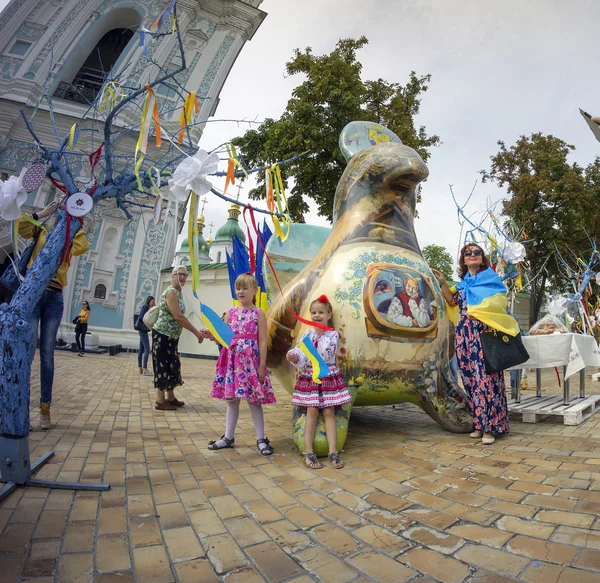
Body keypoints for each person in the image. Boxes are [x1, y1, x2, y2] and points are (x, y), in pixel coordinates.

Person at [434, 244, 517, 445]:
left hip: (483, 333)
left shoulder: (490, 279)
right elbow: (452, 302)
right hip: (464, 335)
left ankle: (491, 427)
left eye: (476, 252)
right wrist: (443, 282)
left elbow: (499, 303)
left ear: (482, 258)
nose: (472, 255)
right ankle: (479, 424)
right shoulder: (463, 283)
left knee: (485, 381)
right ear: (463, 259)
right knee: (470, 379)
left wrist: (481, 314)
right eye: (467, 253)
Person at [20, 200, 90, 430]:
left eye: (64, 209)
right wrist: (43, 213)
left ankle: (44, 408)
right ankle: (22, 410)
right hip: (33, 293)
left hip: (54, 297)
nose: (61, 211)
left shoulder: (68, 237)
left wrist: (72, 221)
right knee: (27, 352)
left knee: (47, 354)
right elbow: (19, 226)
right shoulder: (40, 229)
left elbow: (83, 247)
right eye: (60, 208)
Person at [207, 274, 276, 455]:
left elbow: (262, 341)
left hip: (251, 364)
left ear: (254, 291)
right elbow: (225, 337)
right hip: (233, 362)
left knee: (254, 401)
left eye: (245, 288)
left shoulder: (258, 313)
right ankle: (228, 437)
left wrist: (262, 366)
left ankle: (261, 438)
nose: (241, 291)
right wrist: (211, 335)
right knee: (231, 401)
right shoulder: (231, 312)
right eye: (238, 288)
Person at [286, 294, 352, 469]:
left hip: (327, 375)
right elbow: (301, 351)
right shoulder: (307, 333)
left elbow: (326, 354)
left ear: (328, 315)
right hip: (310, 377)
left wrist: (321, 335)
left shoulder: (332, 335)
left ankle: (333, 451)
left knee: (329, 412)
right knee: (312, 411)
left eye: (320, 312)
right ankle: (308, 452)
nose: (317, 315)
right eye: (314, 312)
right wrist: (294, 355)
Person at [152, 265, 204, 411]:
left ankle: (171, 397)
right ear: (172, 276)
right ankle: (160, 400)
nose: (182, 277)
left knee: (172, 365)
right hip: (162, 335)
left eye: (184, 275)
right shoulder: (171, 292)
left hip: (172, 337)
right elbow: (178, 316)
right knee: (162, 365)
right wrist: (196, 332)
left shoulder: (179, 293)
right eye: (179, 274)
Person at [137, 295, 155, 375]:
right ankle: (145, 368)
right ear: (149, 301)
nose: (154, 303)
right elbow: (142, 318)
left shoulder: (147, 308)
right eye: (153, 302)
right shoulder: (145, 307)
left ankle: (140, 367)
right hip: (143, 330)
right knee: (147, 349)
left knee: (141, 348)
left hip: (142, 330)